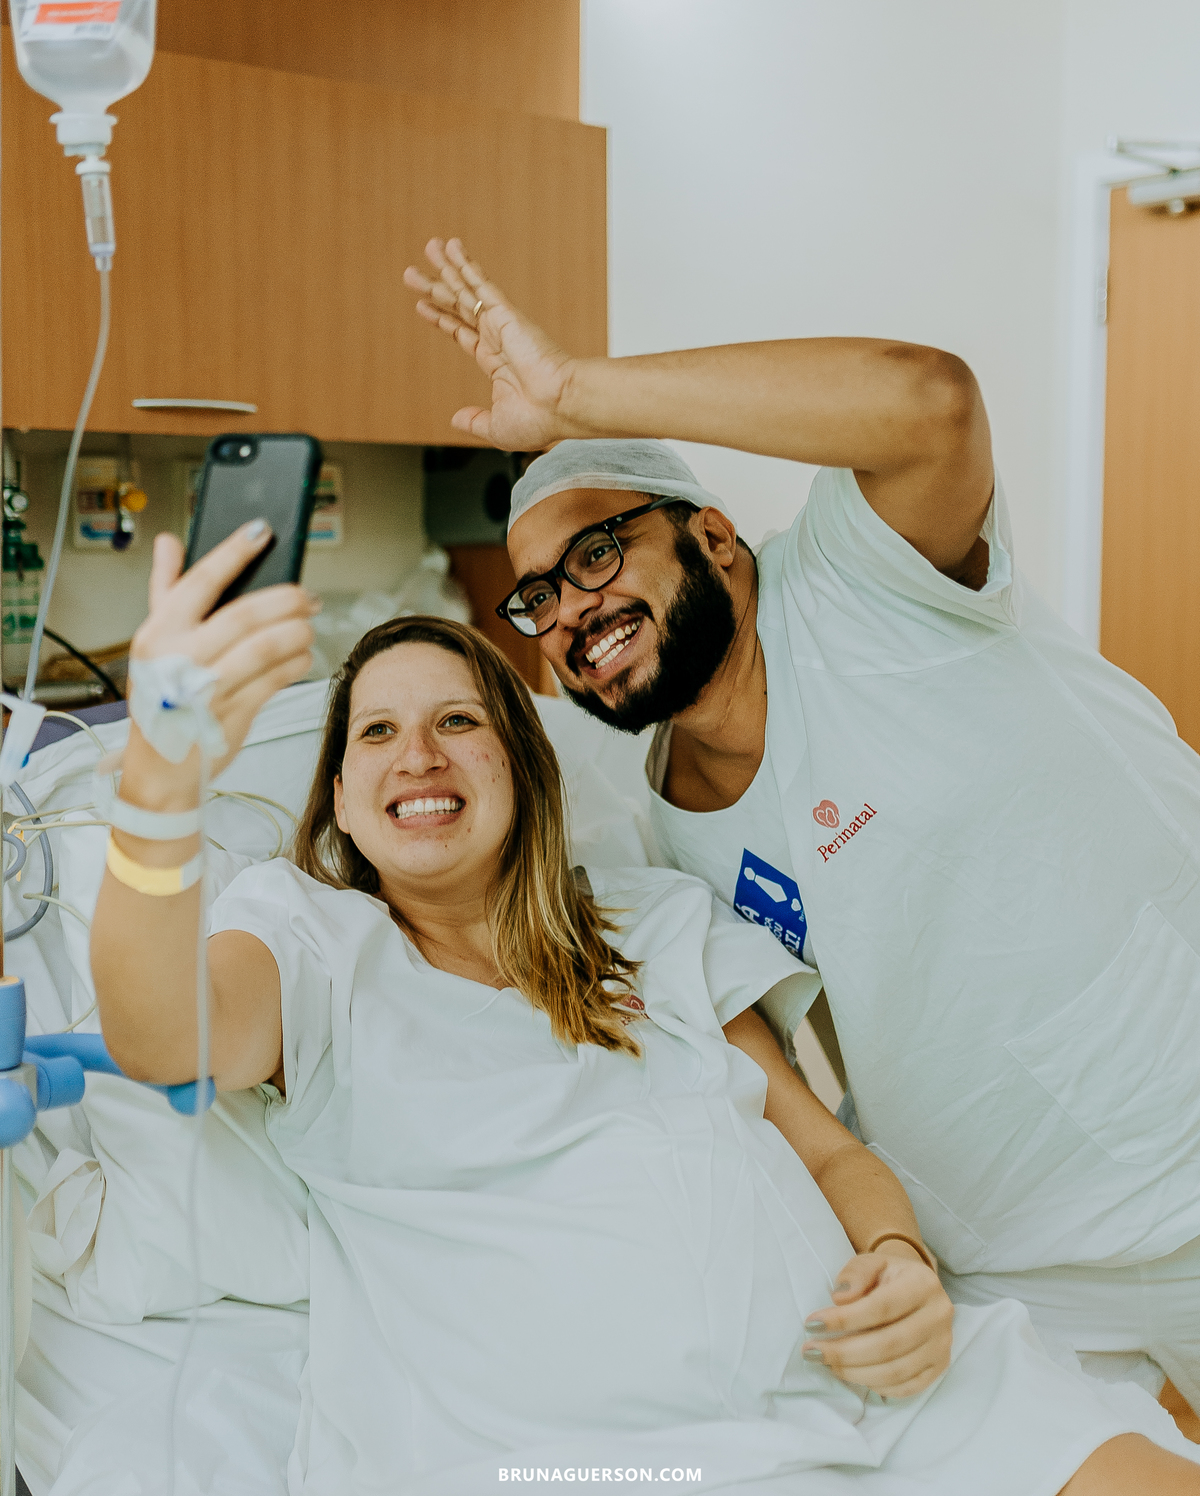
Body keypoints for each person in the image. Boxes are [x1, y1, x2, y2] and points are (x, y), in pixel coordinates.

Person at [90, 527, 1199, 1495]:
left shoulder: (653, 925)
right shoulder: (311, 939)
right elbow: (163, 1036)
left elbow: (829, 1153)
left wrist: (901, 1258)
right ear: (337, 795)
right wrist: (157, 785)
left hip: (881, 1404)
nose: (417, 754)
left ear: (520, 764)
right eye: (373, 734)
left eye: (457, 720)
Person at [405, 235, 1200, 1439]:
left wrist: (575, 395)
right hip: (1003, 1259)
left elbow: (931, 400)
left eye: (599, 552)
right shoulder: (630, 799)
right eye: (539, 597)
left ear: (717, 538)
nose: (570, 609)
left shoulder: (860, 584)